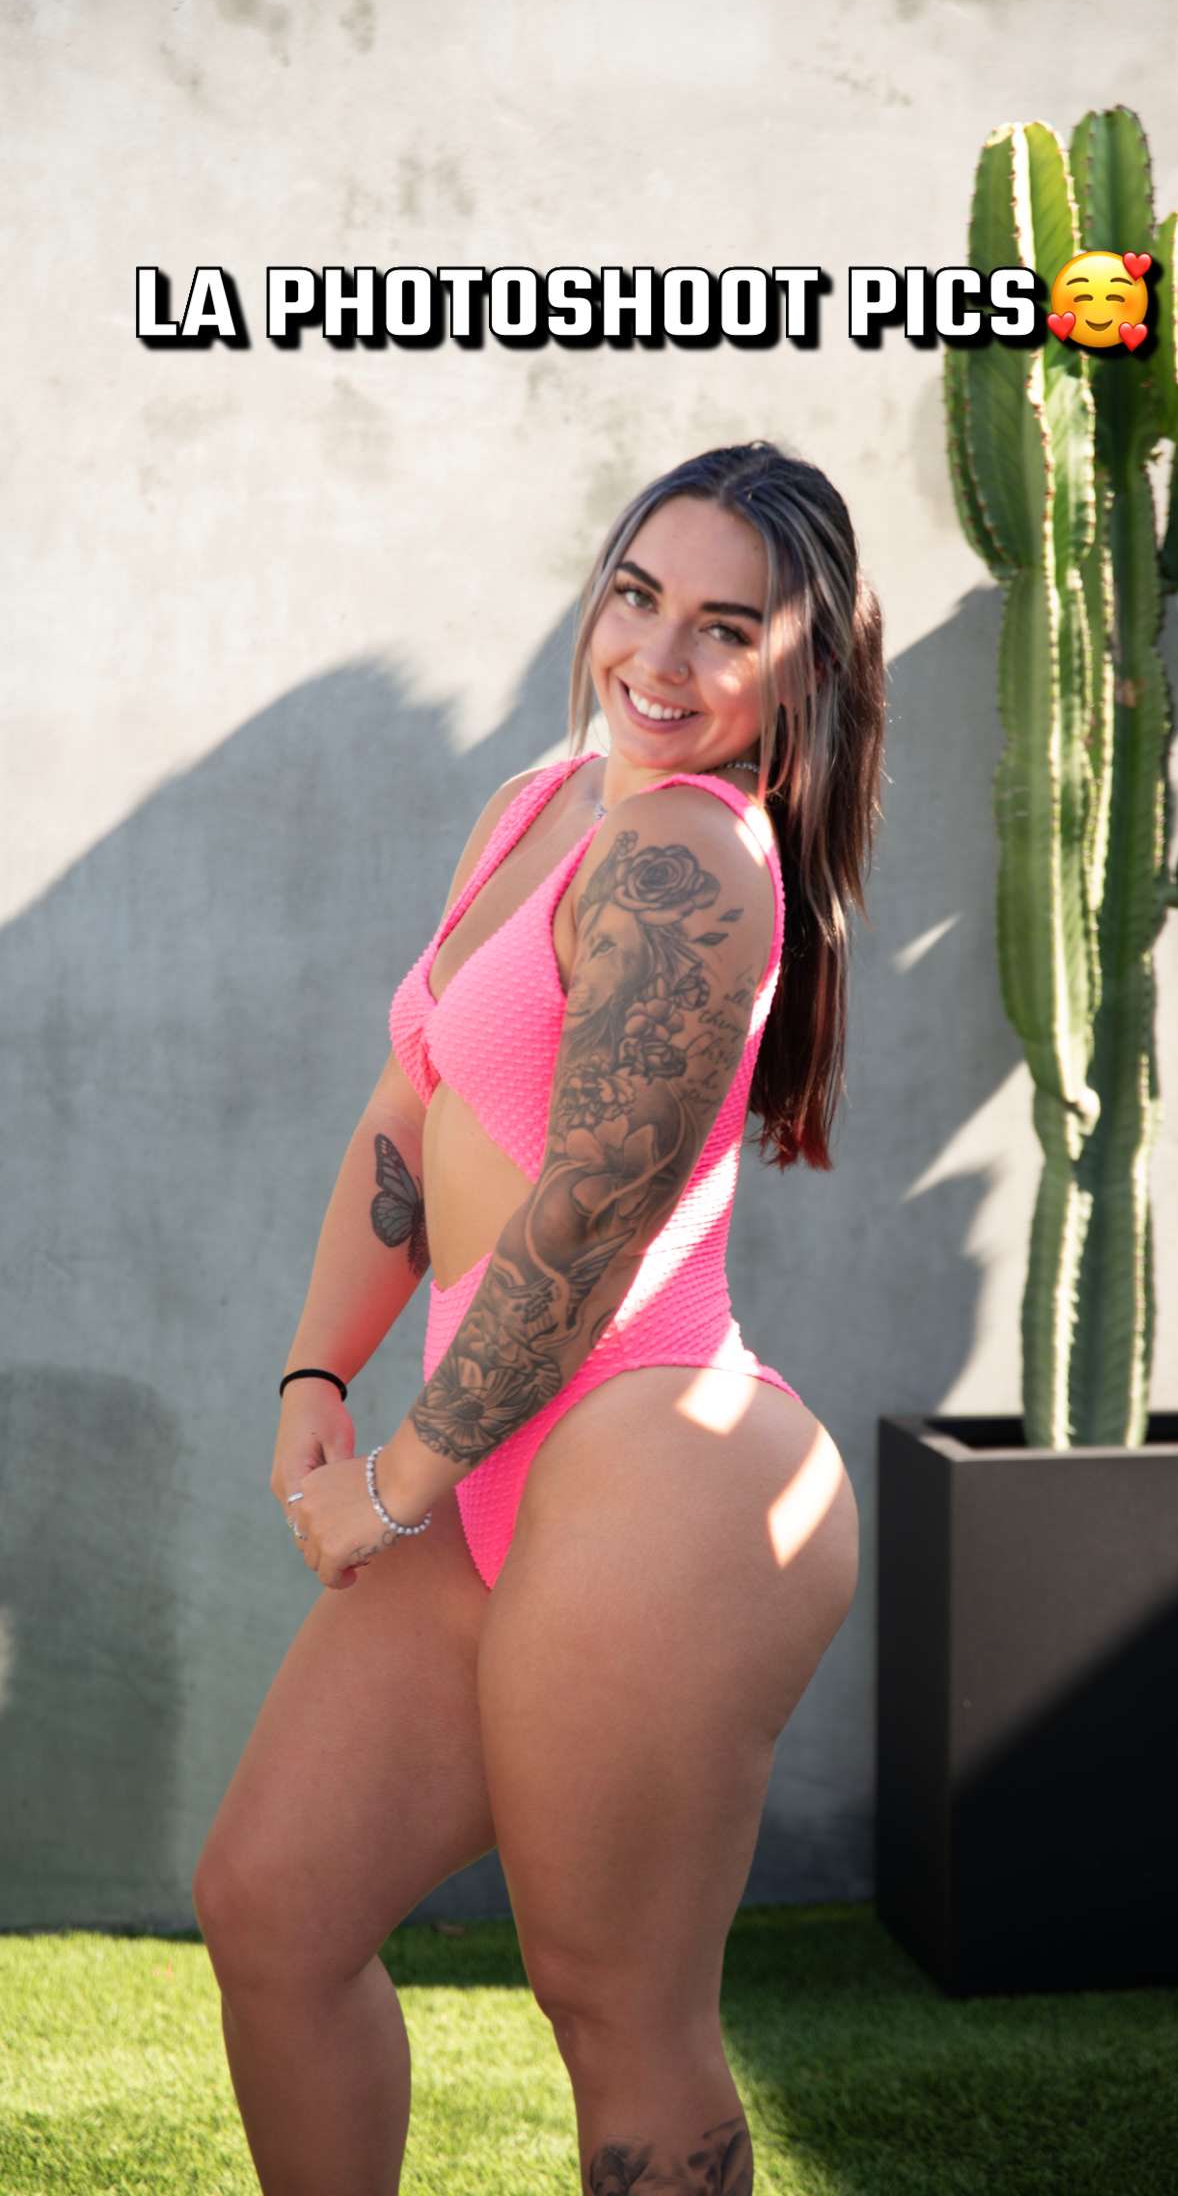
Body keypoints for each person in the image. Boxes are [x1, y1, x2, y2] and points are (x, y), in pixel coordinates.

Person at [192, 438, 886, 2195]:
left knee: (614, 2010)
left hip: (658, 1472)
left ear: (800, 669)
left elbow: (584, 1231)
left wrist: (395, 1484)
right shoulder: (543, 806)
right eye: (639, 595)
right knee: (271, 1911)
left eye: (727, 628)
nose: (659, 655)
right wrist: (318, 1367)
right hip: (493, 1451)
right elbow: (410, 1101)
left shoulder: (697, 863)